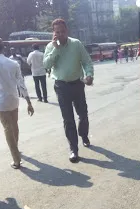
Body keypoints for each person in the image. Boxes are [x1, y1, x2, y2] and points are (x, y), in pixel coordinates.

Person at [43, 19, 94, 163]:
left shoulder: (76, 44)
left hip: (77, 84)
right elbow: (46, 65)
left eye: (62, 31)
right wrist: (55, 49)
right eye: (57, 32)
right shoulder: (50, 47)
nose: (60, 34)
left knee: (83, 114)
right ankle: (73, 149)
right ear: (54, 33)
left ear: (67, 31)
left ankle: (83, 135)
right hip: (61, 86)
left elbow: (86, 61)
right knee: (68, 119)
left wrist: (89, 75)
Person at [0, 36, 34, 169]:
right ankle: (16, 149)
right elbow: (21, 83)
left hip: (0, 102)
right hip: (13, 99)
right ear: (3, 47)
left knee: (7, 128)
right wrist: (28, 101)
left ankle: (16, 159)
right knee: (14, 126)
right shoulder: (13, 63)